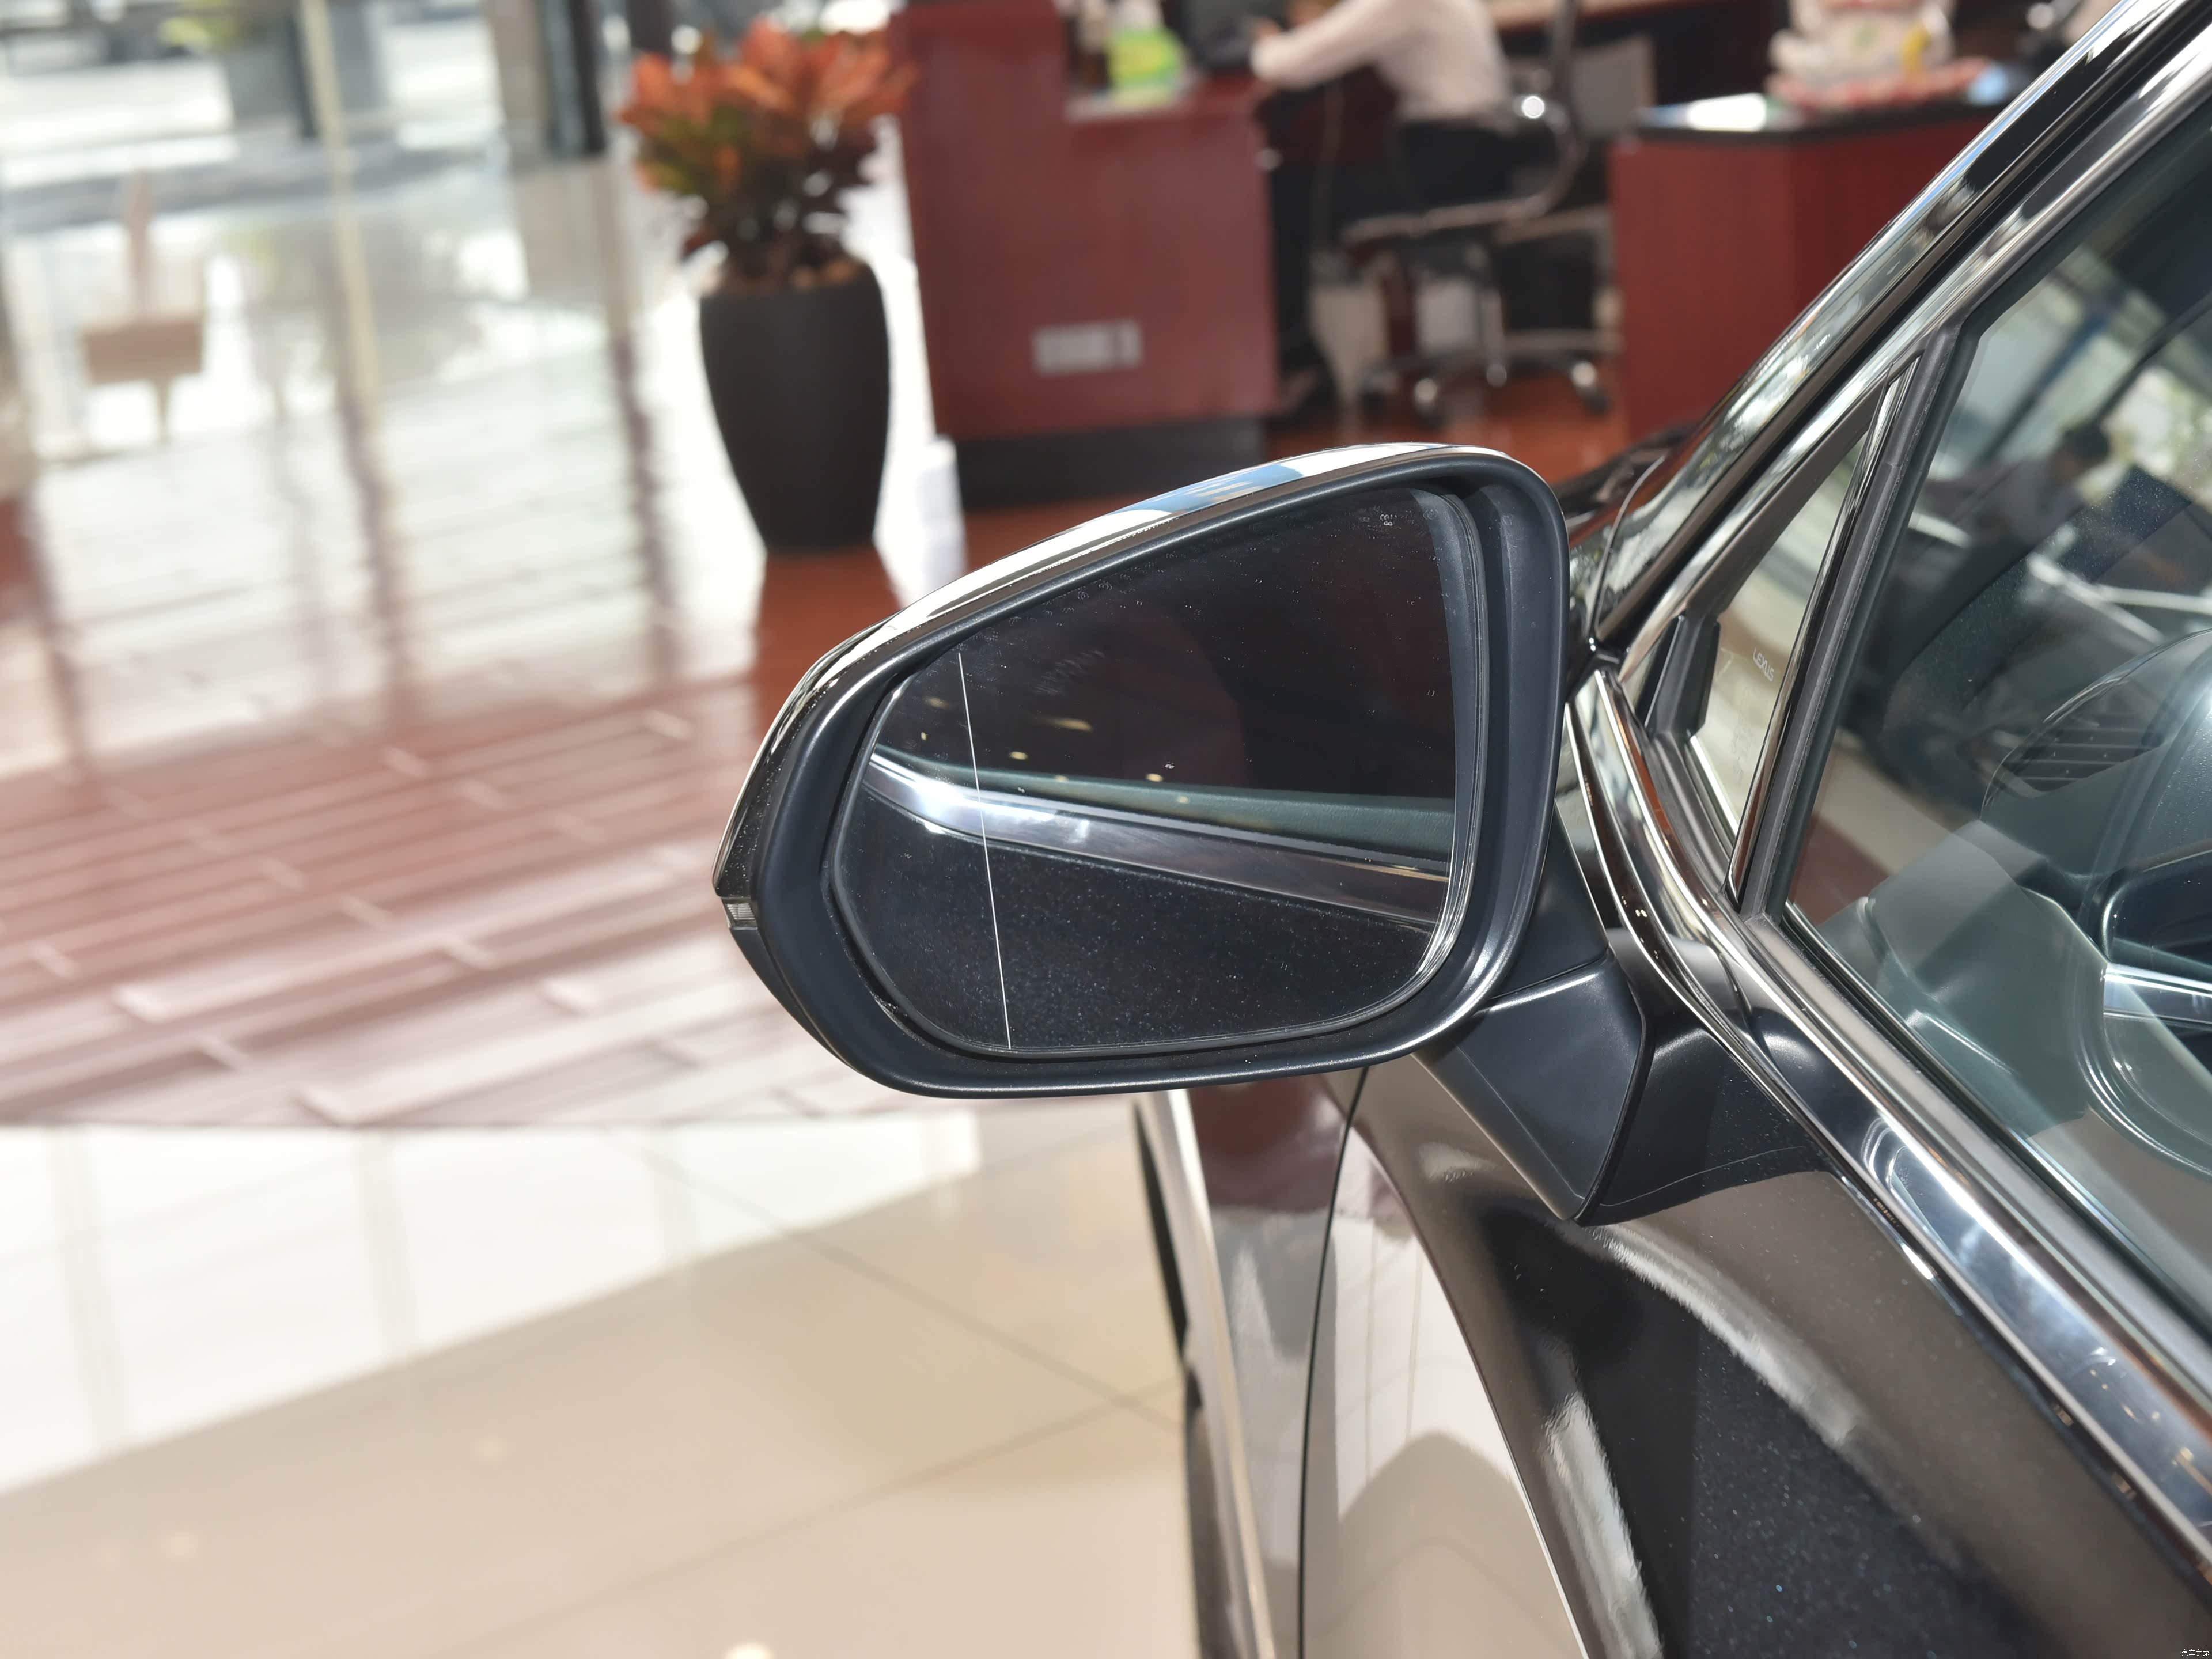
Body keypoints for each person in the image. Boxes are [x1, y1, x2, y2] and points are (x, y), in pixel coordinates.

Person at [1245, 0, 1513, 415]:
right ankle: (1301, 358)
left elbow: (1285, 65)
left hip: (1450, 159)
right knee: (1301, 187)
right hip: (1472, 150)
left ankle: (1300, 365)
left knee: (1286, 198)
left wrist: (1263, 40)